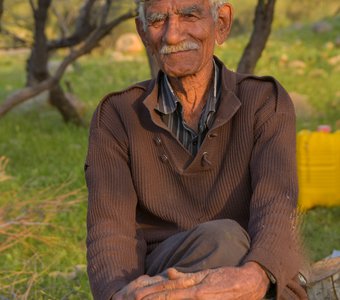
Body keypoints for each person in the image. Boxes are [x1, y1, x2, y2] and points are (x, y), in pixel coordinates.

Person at [85, 0, 308, 299]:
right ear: (141, 31)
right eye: (157, 20)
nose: (172, 35)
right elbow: (110, 228)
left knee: (228, 242)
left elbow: (277, 204)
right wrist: (118, 295)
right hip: (160, 276)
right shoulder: (116, 115)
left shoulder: (264, 101)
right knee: (222, 241)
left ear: (222, 23)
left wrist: (254, 275)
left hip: (254, 278)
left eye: (190, 15)